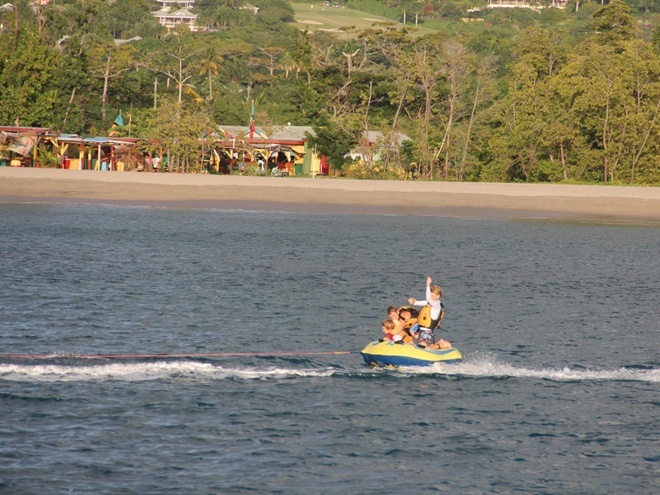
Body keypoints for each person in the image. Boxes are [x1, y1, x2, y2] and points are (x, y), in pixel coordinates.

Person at [408, 276, 451, 349]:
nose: (430, 297)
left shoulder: (436, 305)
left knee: (424, 347)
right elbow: (416, 302)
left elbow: (428, 299)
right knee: (412, 332)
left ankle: (441, 345)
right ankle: (438, 343)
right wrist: (412, 301)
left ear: (438, 296)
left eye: (432, 296)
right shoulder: (428, 303)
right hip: (421, 331)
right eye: (430, 295)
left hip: (427, 333)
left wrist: (428, 285)